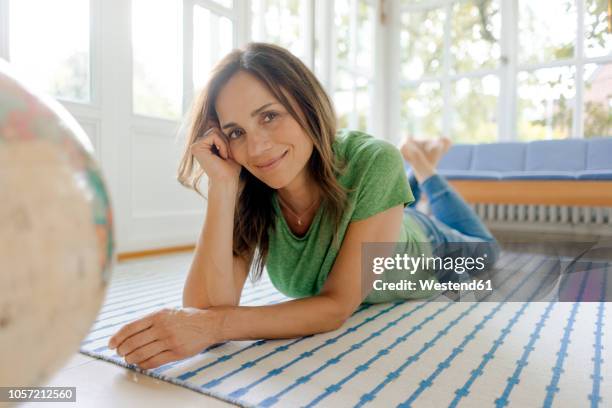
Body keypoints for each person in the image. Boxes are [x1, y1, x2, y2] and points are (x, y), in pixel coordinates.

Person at [107, 42, 500, 369]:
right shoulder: (249, 185)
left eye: (270, 115)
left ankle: (426, 171)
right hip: (380, 215)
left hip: (428, 245)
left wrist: (215, 328)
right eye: (236, 132)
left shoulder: (374, 160)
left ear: (306, 103)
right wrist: (223, 186)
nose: (256, 147)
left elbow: (335, 307)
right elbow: (204, 307)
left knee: (487, 251)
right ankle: (417, 177)